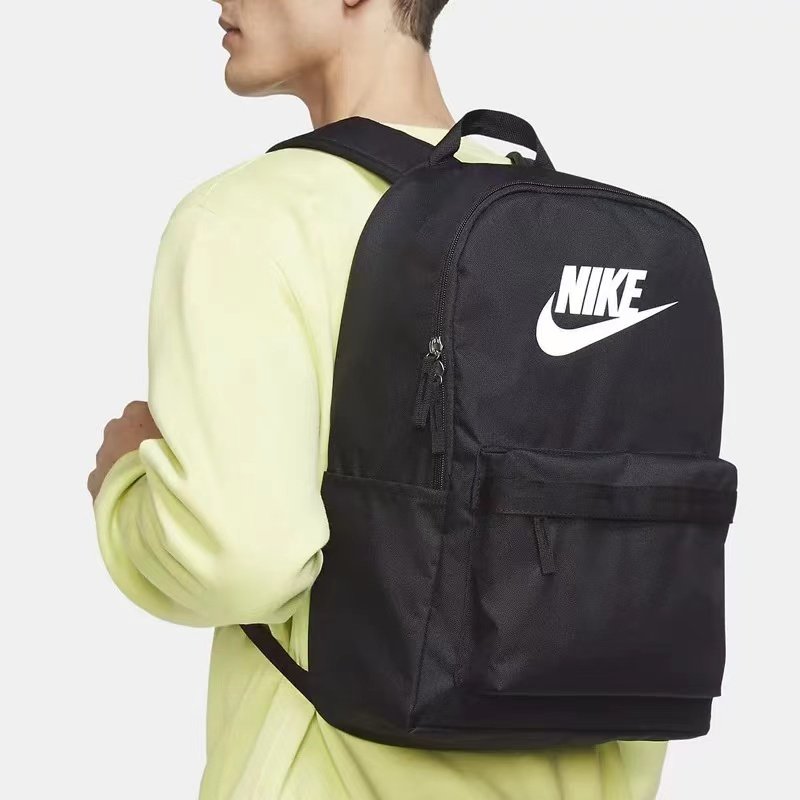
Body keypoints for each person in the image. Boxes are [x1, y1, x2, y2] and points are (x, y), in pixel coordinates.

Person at [87, 1, 668, 797]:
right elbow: (643, 581)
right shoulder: (591, 237)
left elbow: (239, 559)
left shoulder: (249, 219)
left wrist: (127, 487)